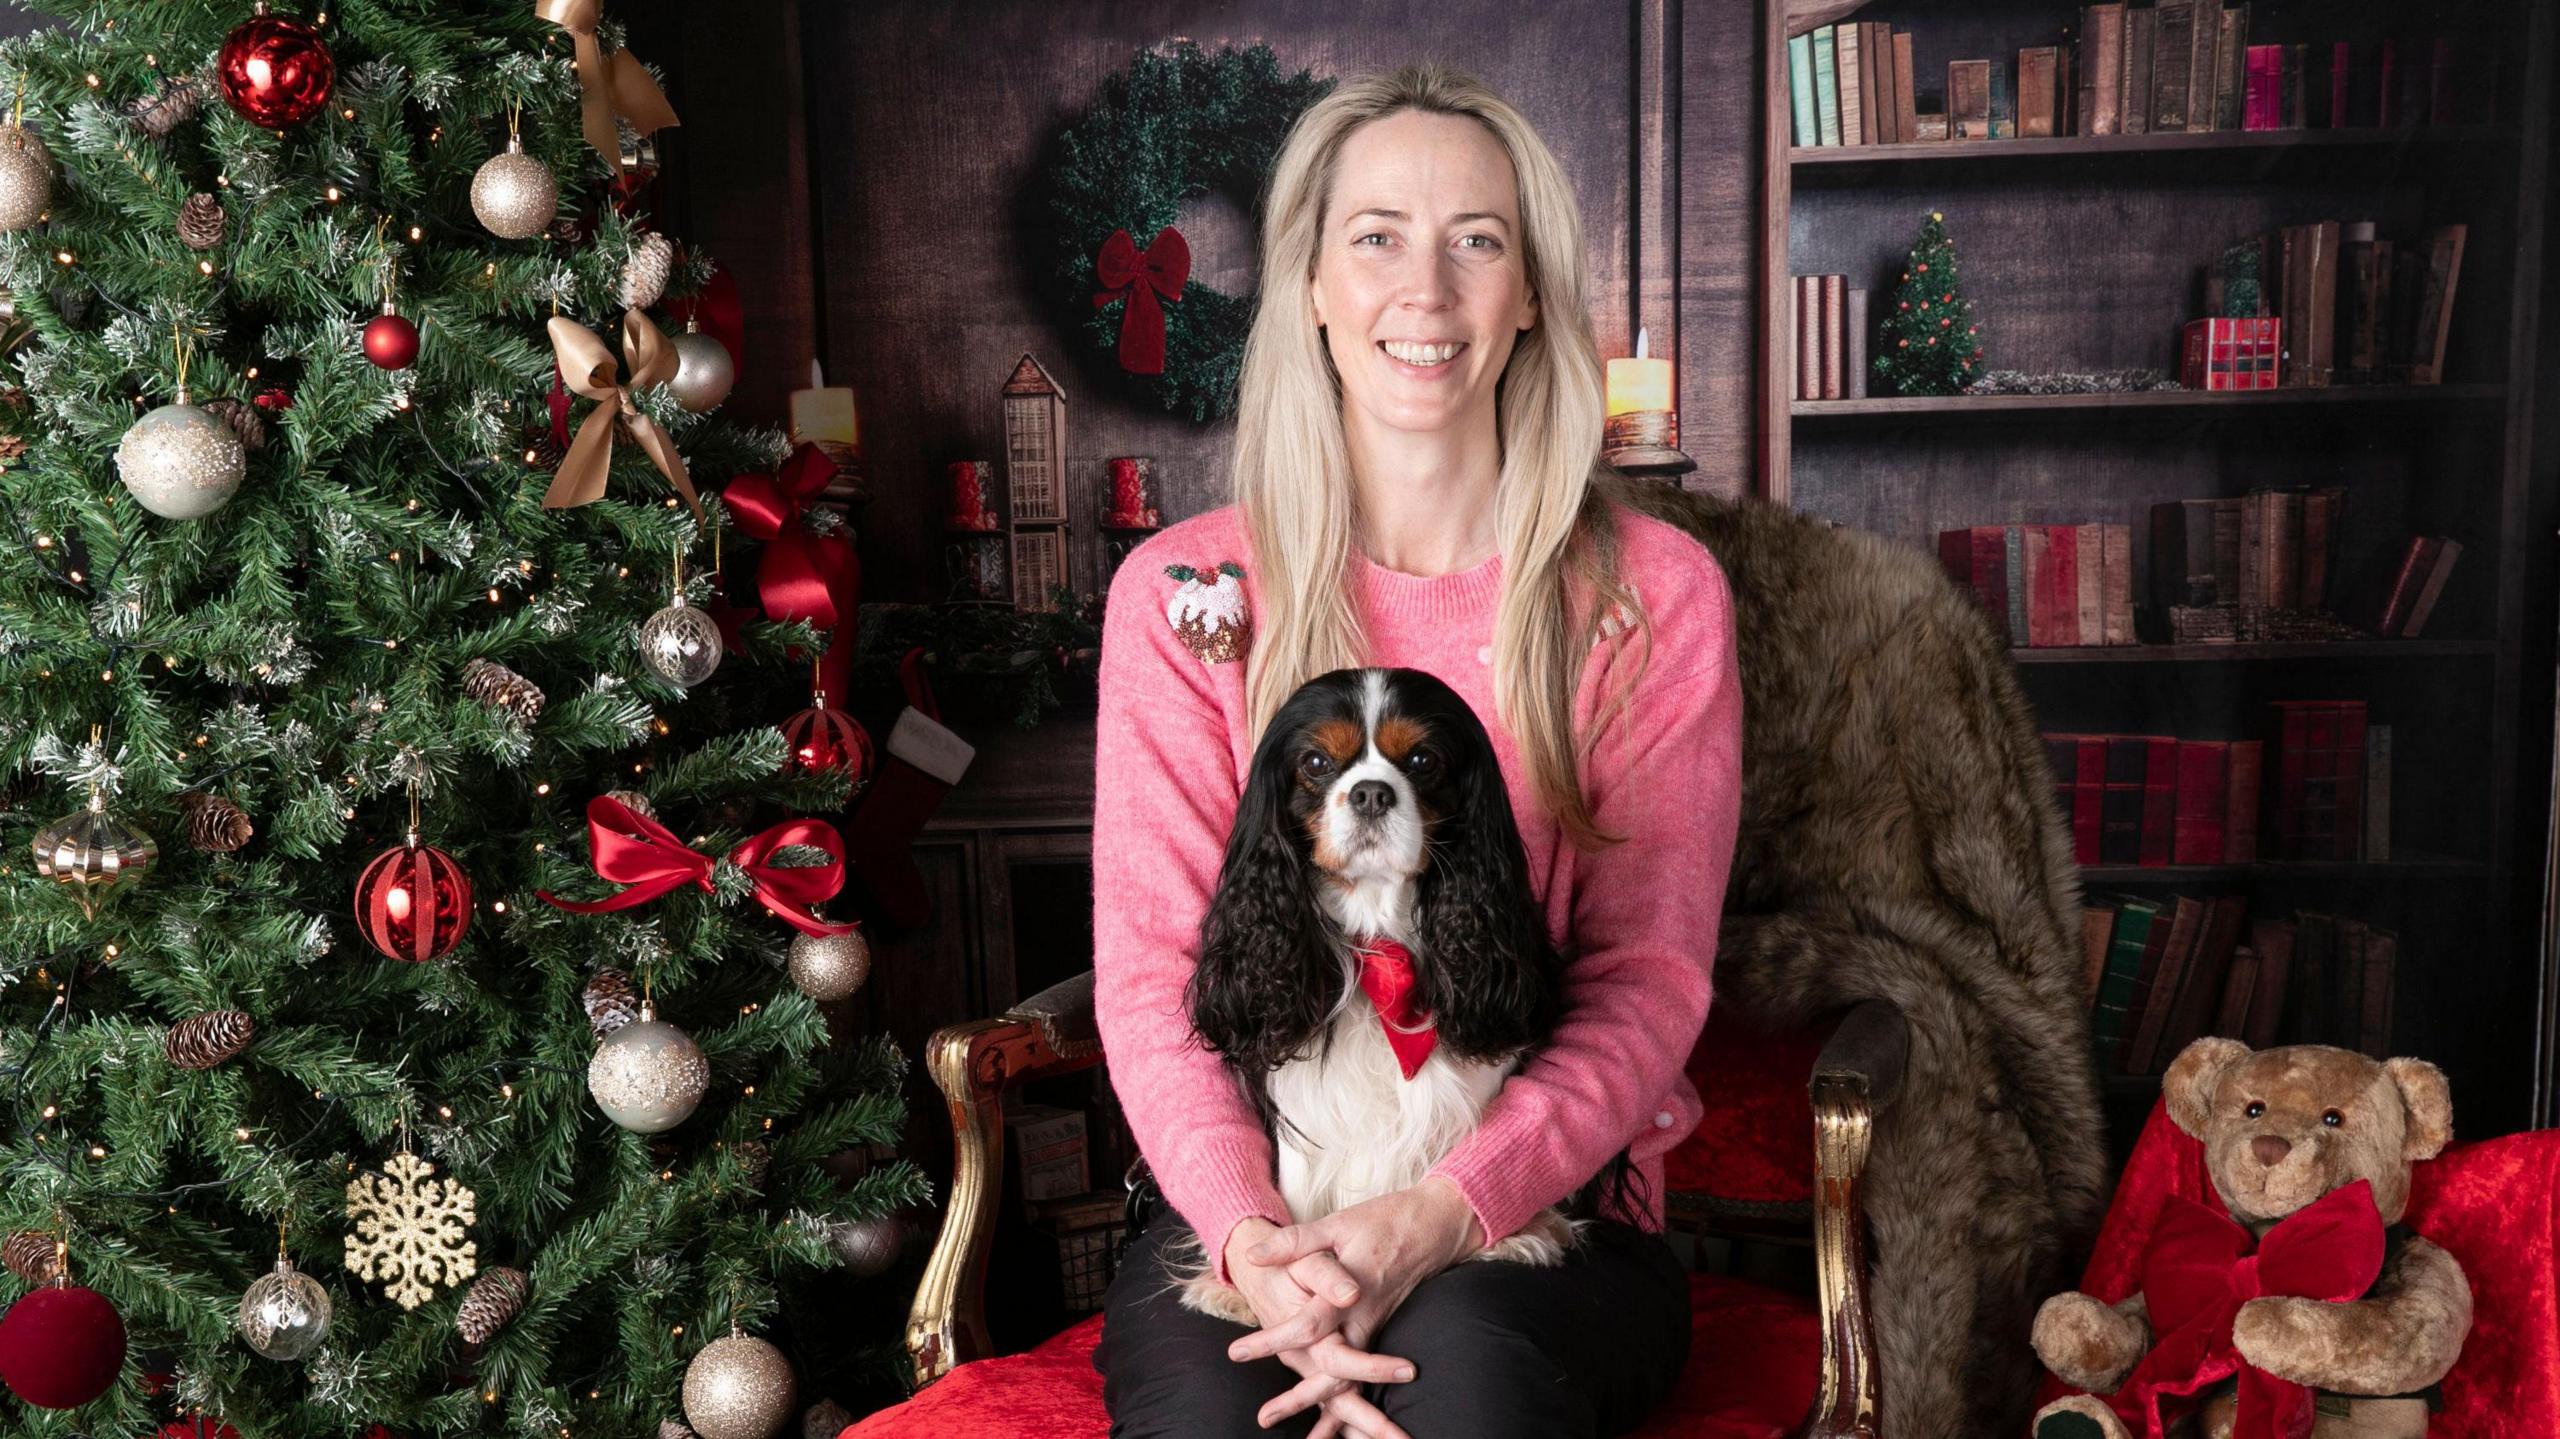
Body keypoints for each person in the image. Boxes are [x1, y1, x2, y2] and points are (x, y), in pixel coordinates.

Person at [1089, 62, 1743, 1439]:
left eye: (1479, 242)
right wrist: (1259, 1241)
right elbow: (1152, 986)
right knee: (1217, 1423)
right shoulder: (1180, 593)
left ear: (1529, 299)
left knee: (1463, 1389)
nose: (1425, 290)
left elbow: (1645, 978)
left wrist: (1436, 1220)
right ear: (1312, 287)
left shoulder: (1650, 594)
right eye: (1376, 235)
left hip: (1543, 1214)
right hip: (1247, 1207)